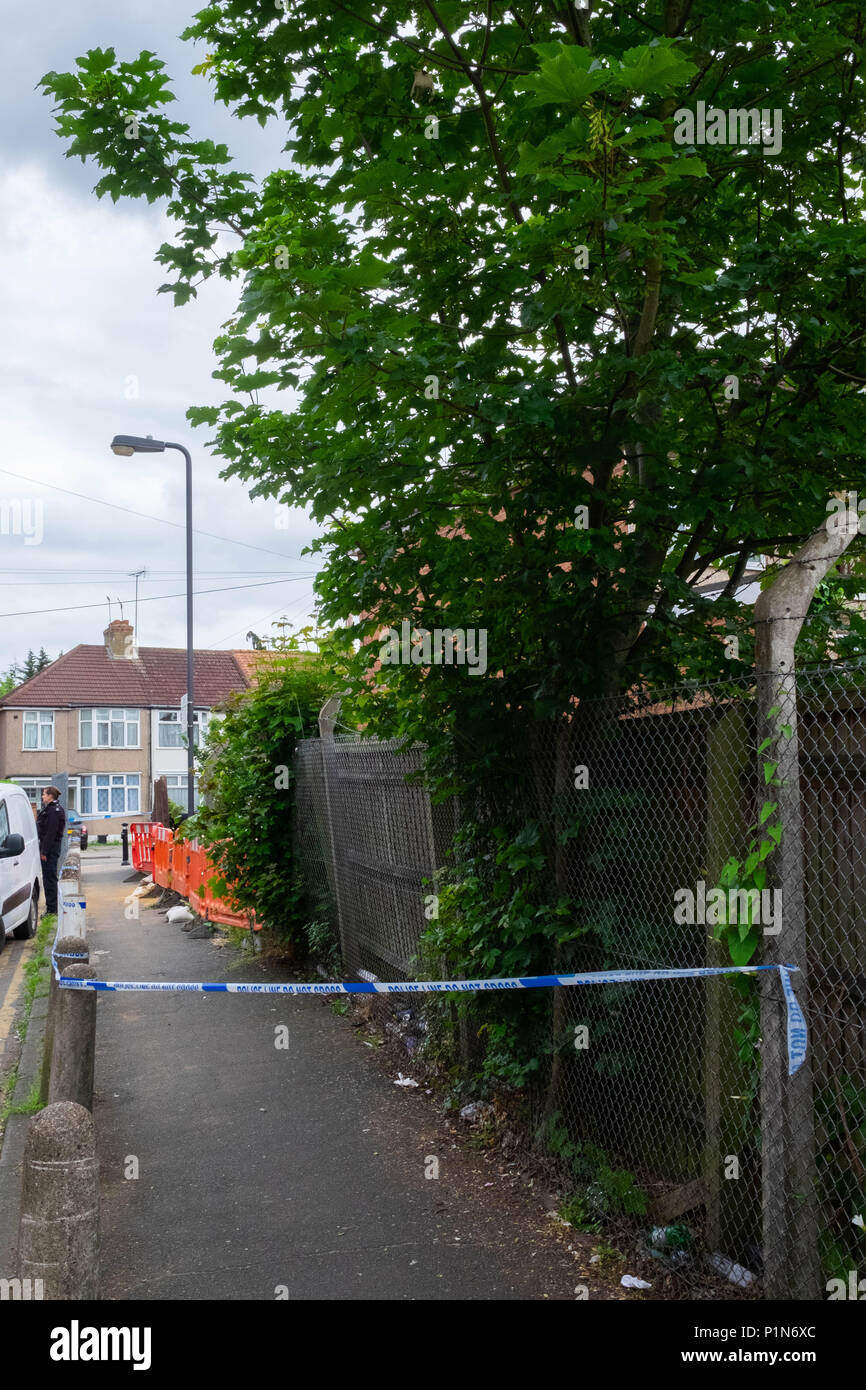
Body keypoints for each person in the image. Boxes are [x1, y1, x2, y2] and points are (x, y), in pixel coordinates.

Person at [37, 786, 66, 915]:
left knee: (49, 879)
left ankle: (52, 909)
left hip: (50, 849)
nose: (42, 796)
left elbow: (50, 833)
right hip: (49, 848)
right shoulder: (51, 809)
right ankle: (51, 907)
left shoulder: (54, 811)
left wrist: (44, 852)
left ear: (50, 796)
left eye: (44, 794)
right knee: (48, 878)